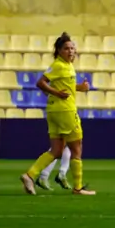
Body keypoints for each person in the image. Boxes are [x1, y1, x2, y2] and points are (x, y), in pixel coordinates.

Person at [20, 33, 96, 196]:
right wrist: (57, 93)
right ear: (59, 51)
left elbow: (65, 85)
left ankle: (29, 175)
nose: (70, 51)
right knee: (76, 148)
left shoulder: (66, 65)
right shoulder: (59, 65)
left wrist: (79, 87)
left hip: (54, 110)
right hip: (65, 110)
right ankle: (78, 188)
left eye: (72, 48)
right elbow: (40, 82)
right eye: (66, 48)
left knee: (56, 150)